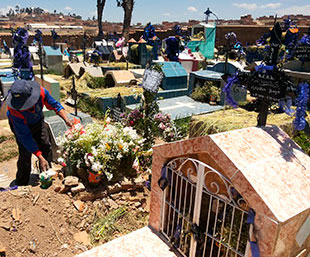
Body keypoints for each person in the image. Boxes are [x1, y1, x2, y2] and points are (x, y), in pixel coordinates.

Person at [7, 80, 73, 186]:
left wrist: (67, 120)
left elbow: (55, 105)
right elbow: (25, 137)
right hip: (21, 127)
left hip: (37, 121)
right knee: (25, 153)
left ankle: (46, 175)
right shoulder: (14, 110)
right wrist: (39, 156)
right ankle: (22, 183)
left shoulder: (42, 93)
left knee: (45, 146)